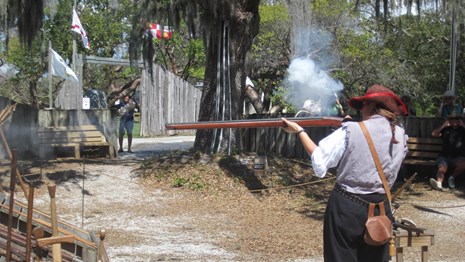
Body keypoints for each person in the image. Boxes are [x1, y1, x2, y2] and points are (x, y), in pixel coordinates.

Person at [282, 84, 408, 262]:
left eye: (363, 105)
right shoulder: (401, 135)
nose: (361, 109)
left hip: (347, 208)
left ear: (371, 106)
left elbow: (320, 159)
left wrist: (299, 131)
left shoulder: (351, 130)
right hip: (381, 207)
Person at [429, 114, 465, 190]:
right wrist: (444, 125)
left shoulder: (462, 129)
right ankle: (439, 184)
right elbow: (434, 134)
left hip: (458, 156)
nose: (454, 121)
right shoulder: (446, 129)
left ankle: (451, 178)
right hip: (444, 155)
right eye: (452, 119)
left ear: (459, 120)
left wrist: (463, 125)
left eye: (456, 119)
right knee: (441, 169)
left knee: (463, 165)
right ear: (449, 121)